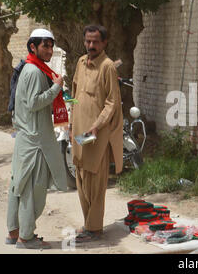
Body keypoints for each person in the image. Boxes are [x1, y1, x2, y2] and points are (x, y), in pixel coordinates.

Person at [6, 28, 68, 249]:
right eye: (45, 46)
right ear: (33, 47)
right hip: (36, 143)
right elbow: (33, 103)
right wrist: (56, 88)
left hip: (28, 139)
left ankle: (14, 232)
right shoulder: (33, 71)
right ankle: (26, 237)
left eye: (51, 46)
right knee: (34, 190)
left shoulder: (33, 67)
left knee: (19, 187)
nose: (50, 50)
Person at [70, 24, 123, 242]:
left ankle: (95, 228)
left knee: (96, 180)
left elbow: (111, 102)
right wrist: (71, 119)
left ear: (104, 43)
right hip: (79, 132)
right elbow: (74, 92)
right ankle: (88, 224)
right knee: (81, 178)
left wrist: (97, 125)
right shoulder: (81, 62)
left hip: (97, 134)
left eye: (95, 42)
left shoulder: (108, 66)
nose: (91, 45)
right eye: (88, 41)